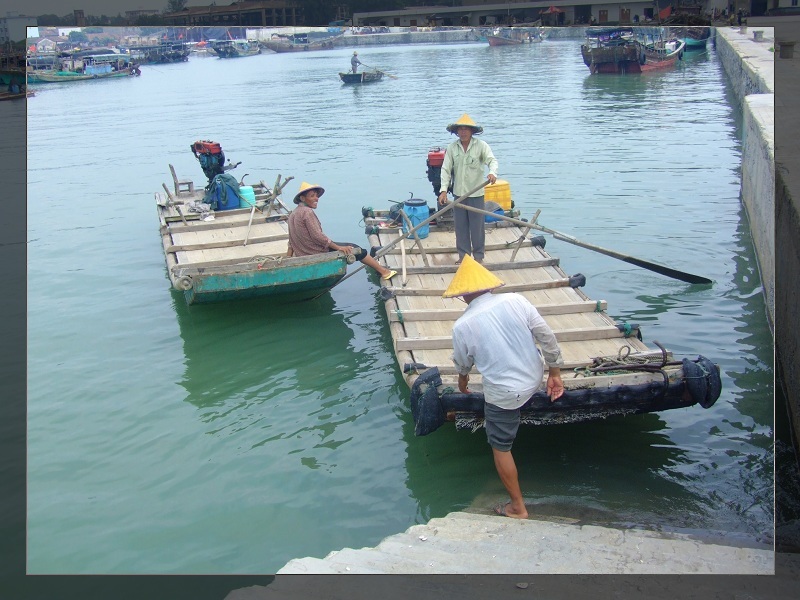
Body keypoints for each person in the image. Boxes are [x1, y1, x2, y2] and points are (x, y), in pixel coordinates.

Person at [443, 254, 564, 519]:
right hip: (534, 377)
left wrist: (462, 382)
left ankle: (517, 507)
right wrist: (554, 372)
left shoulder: (462, 325)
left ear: (463, 295)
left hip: (505, 395)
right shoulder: (516, 300)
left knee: (501, 446)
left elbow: (464, 365)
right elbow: (546, 337)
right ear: (489, 285)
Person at [287, 182, 397, 281]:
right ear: (302, 198)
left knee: (349, 247)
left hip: (304, 251)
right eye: (312, 196)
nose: (316, 198)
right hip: (315, 251)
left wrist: (288, 258)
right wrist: (339, 248)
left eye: (316, 195)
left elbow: (291, 241)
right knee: (357, 250)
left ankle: (379, 269)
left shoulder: (293, 213)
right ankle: (384, 272)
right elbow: (318, 236)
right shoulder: (307, 212)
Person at [437, 113, 499, 264]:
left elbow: (492, 161)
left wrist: (492, 173)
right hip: (459, 195)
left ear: (472, 131)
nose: (463, 132)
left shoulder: (481, 146)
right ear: (457, 131)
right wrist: (443, 190)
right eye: (460, 129)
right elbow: (446, 169)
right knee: (461, 228)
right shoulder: (452, 148)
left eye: (466, 129)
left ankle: (478, 257)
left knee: (477, 228)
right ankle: (464, 257)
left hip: (476, 194)